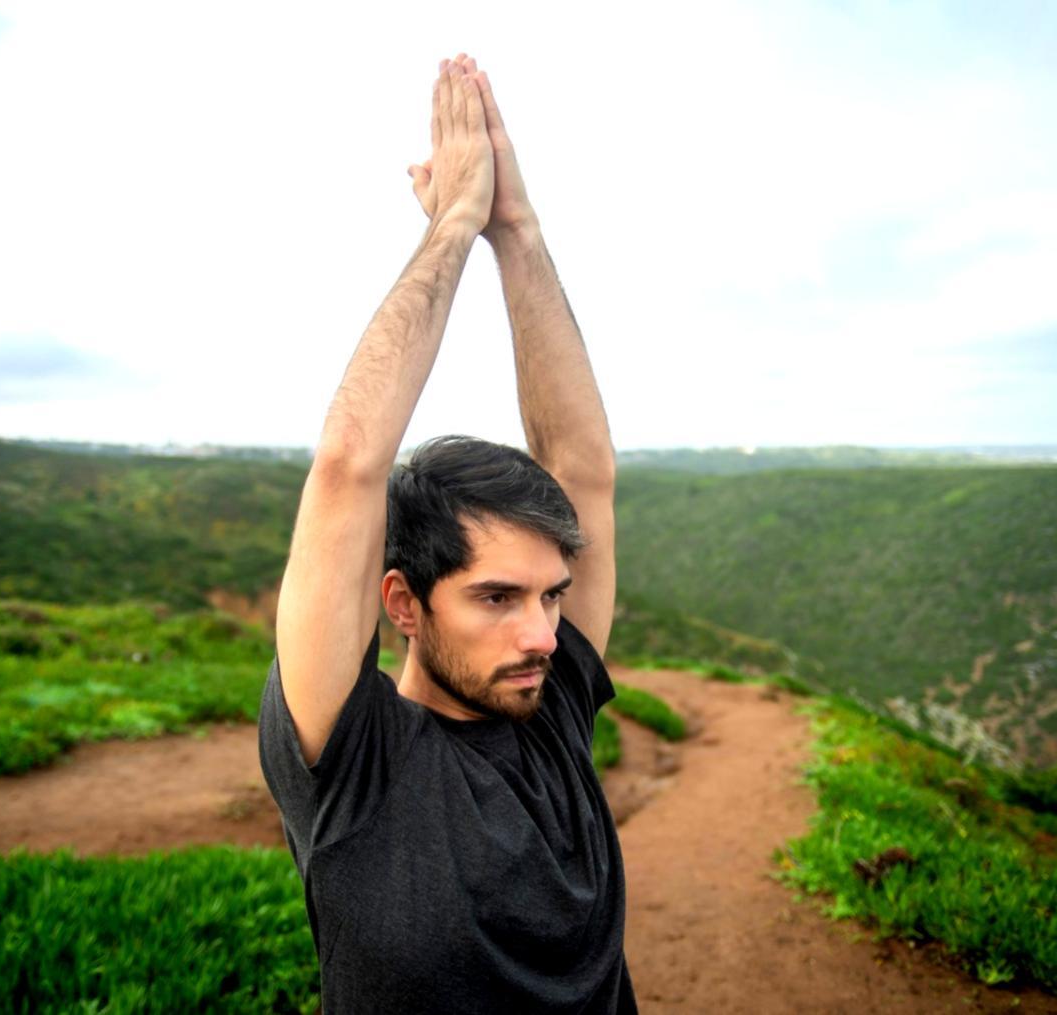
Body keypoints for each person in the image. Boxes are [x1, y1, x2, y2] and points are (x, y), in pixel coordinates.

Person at [258, 53, 635, 1014]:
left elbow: (582, 465)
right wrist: (454, 227)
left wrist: (520, 229)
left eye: (549, 594)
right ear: (404, 603)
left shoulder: (550, 714)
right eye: (496, 597)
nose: (544, 633)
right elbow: (349, 465)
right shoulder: (350, 760)